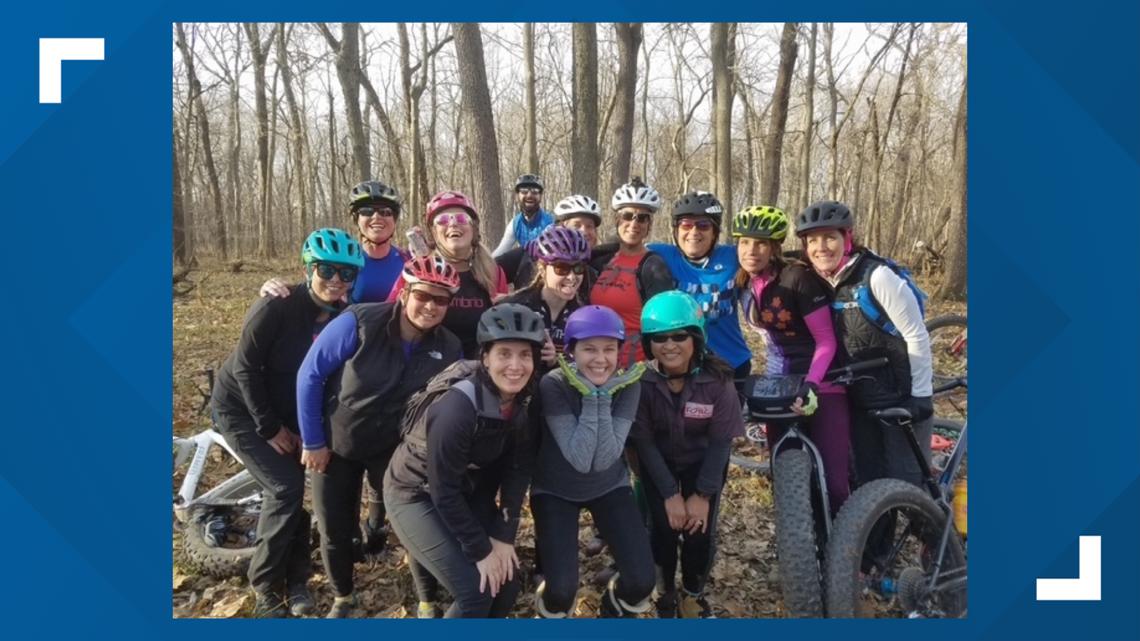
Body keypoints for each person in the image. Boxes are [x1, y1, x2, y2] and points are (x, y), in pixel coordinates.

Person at [296, 256, 464, 618]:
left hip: (395, 448)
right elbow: (309, 376)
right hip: (338, 442)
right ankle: (343, 596)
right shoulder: (359, 322)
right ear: (404, 292)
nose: (431, 306)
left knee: (414, 524)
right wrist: (313, 442)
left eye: (442, 299)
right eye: (423, 295)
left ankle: (426, 600)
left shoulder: (449, 347)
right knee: (335, 527)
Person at [209, 228, 364, 617]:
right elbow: (245, 370)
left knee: (295, 493)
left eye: (346, 274)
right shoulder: (274, 305)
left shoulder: (343, 315)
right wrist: (270, 429)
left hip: (288, 410)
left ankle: (296, 580)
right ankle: (264, 585)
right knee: (284, 487)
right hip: (242, 409)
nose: (336, 281)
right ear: (309, 268)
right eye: (327, 270)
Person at [384, 304, 546, 617]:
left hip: (467, 490)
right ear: (485, 357)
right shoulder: (458, 407)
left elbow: (518, 468)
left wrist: (503, 535)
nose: (516, 365)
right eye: (504, 354)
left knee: (508, 585)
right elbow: (442, 490)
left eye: (525, 355)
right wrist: (480, 550)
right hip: (416, 494)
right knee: (477, 592)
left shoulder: (526, 397)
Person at [794, 200, 934, 490]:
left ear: (848, 238)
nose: (822, 247)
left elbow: (916, 334)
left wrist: (921, 395)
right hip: (859, 397)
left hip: (901, 395)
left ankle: (938, 533)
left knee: (906, 483)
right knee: (867, 481)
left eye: (830, 237)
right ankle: (875, 538)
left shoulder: (877, 276)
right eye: (813, 240)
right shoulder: (820, 281)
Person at [531, 305, 655, 618]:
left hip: (608, 485)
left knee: (642, 581)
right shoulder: (554, 384)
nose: (600, 360)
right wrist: (594, 397)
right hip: (555, 489)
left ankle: (611, 612)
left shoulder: (628, 385)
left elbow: (604, 461)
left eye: (609, 349)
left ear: (619, 351)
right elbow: (581, 459)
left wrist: (606, 393)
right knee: (560, 591)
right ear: (571, 350)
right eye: (589, 349)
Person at [631, 291, 744, 618]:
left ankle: (693, 592)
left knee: (698, 529)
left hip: (703, 464)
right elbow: (644, 443)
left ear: (696, 337)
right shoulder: (641, 382)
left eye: (680, 336)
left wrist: (702, 496)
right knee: (663, 528)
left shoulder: (718, 382)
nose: (670, 345)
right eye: (660, 337)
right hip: (658, 465)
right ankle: (665, 590)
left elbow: (721, 443)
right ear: (648, 342)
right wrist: (669, 494)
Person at [732, 205, 849, 511]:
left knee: (835, 485)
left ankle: (850, 547)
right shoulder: (743, 284)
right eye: (745, 242)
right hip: (778, 384)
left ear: (775, 247)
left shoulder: (797, 278)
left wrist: (811, 384)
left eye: (761, 243)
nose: (751, 250)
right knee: (782, 473)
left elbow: (826, 340)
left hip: (822, 382)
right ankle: (800, 550)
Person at [388, 190, 509, 359]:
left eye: (461, 219)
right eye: (443, 220)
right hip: (426, 366)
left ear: (473, 228)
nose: (453, 224)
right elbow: (389, 318)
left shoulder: (492, 271)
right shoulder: (418, 269)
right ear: (434, 232)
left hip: (480, 367)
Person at [647, 191, 752, 384]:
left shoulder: (733, 257)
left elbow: (768, 259)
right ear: (676, 230)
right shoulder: (660, 255)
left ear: (715, 233)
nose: (694, 232)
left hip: (731, 363)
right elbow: (621, 250)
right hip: (680, 366)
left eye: (703, 225)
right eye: (686, 225)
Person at [261, 180, 406, 303]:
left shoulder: (408, 260)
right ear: (356, 219)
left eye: (385, 212)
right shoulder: (342, 259)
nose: (376, 217)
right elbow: (314, 292)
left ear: (394, 220)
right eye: (367, 211)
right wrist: (275, 287)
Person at [589, 178, 674, 369]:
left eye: (642, 218)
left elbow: (664, 325)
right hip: (596, 366)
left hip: (635, 369)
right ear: (617, 220)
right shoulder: (601, 259)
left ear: (649, 225)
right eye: (628, 215)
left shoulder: (653, 266)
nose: (634, 223)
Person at [502, 226, 591, 370]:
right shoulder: (515, 307)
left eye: (579, 268)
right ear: (542, 269)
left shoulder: (583, 315)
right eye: (561, 268)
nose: (572, 277)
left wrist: (556, 362)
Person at [506, 194, 604, 291]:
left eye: (589, 226)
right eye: (576, 225)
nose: (584, 231)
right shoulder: (529, 253)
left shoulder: (598, 262)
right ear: (560, 228)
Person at [492, 173, 554, 260]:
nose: (529, 195)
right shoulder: (515, 224)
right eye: (524, 191)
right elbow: (501, 251)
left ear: (540, 196)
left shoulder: (550, 222)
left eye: (535, 191)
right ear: (517, 196)